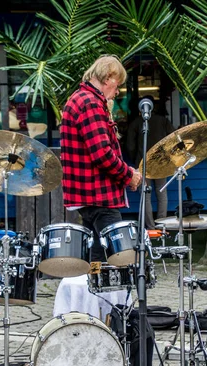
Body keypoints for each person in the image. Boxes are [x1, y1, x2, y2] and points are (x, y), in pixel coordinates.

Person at [60, 55, 142, 262]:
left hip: (89, 195)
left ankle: (95, 294)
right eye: (118, 85)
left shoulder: (80, 98)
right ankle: (109, 295)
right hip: (99, 195)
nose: (117, 91)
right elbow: (103, 155)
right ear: (109, 78)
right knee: (117, 260)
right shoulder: (90, 103)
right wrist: (128, 175)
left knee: (97, 260)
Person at [126, 96, 174, 229]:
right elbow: (174, 137)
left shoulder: (136, 122)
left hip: (142, 163)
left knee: (145, 195)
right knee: (162, 193)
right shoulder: (163, 121)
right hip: (161, 162)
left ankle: (150, 226)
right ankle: (161, 224)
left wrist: (134, 159)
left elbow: (130, 145)